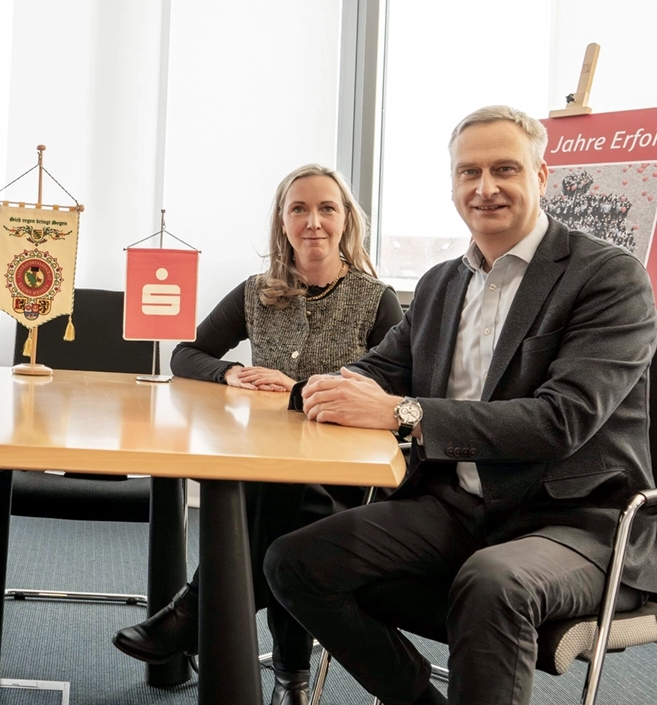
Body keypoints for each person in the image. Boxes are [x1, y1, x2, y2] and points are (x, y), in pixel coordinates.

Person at [265, 106, 657, 705]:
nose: (485, 187)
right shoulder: (441, 283)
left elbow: (561, 420)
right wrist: (316, 390)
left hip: (580, 519)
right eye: (469, 172)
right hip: (457, 506)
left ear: (541, 176)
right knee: (295, 560)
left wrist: (404, 413)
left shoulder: (607, 277)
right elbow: (377, 370)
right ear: (452, 184)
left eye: (505, 169)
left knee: (492, 582)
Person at [113, 163, 402, 705]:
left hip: (346, 477)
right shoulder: (256, 293)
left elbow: (397, 389)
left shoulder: (375, 299)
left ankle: (195, 611)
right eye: (299, 209)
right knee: (280, 506)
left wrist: (298, 389)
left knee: (286, 505)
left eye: (326, 208)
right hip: (270, 464)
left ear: (346, 220)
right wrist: (229, 372)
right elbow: (186, 354)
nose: (313, 221)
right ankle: (290, 679)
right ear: (282, 222)